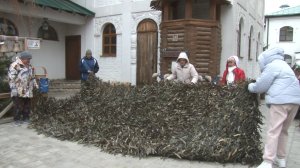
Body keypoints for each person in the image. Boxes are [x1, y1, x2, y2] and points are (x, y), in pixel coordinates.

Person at [248, 47, 300, 168]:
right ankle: (281, 159)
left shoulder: (272, 66)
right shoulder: (285, 65)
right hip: (295, 101)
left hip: (280, 101)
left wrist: (250, 86)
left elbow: (261, 86)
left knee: (273, 131)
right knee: (283, 130)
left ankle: (268, 161)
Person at [8, 51, 38, 126]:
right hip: (18, 89)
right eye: (28, 59)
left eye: (30, 59)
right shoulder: (15, 65)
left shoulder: (29, 65)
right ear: (22, 58)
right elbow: (11, 78)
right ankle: (17, 120)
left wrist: (35, 85)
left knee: (27, 105)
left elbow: (33, 76)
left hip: (28, 89)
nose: (29, 60)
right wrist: (13, 89)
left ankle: (26, 118)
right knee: (17, 105)